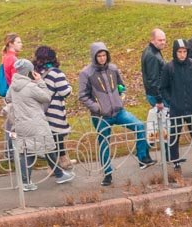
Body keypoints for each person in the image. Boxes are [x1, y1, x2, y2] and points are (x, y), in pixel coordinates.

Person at [78, 42, 154, 187]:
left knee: (139, 126)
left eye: (104, 55)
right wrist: (96, 107)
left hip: (119, 111)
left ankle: (142, 157)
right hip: (101, 116)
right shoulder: (86, 73)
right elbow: (82, 96)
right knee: (104, 144)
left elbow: (121, 85)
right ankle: (107, 173)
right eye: (99, 56)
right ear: (94, 57)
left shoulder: (113, 69)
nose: (102, 58)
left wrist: (122, 94)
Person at [6, 58, 75, 191]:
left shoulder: (13, 86)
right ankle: (51, 176)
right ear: (28, 71)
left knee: (27, 151)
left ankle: (31, 181)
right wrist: (40, 82)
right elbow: (47, 97)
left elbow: (8, 98)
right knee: (46, 147)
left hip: (21, 123)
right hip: (36, 122)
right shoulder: (31, 86)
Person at [161, 39, 192, 176]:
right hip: (177, 109)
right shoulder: (169, 67)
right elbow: (163, 88)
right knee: (175, 136)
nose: (182, 55)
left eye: (184, 52)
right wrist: (171, 101)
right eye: (179, 52)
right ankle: (176, 163)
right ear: (175, 53)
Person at [35, 47, 72, 171]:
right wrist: (70, 86)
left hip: (40, 110)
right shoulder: (56, 73)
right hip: (54, 109)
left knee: (49, 138)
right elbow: (65, 92)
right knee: (57, 136)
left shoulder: (35, 73)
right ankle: (57, 165)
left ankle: (59, 161)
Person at [142, 29, 167, 109]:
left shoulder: (152, 50)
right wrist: (159, 100)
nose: (163, 42)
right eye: (160, 40)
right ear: (152, 40)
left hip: (155, 94)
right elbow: (153, 80)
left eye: (164, 40)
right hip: (156, 95)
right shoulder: (152, 56)